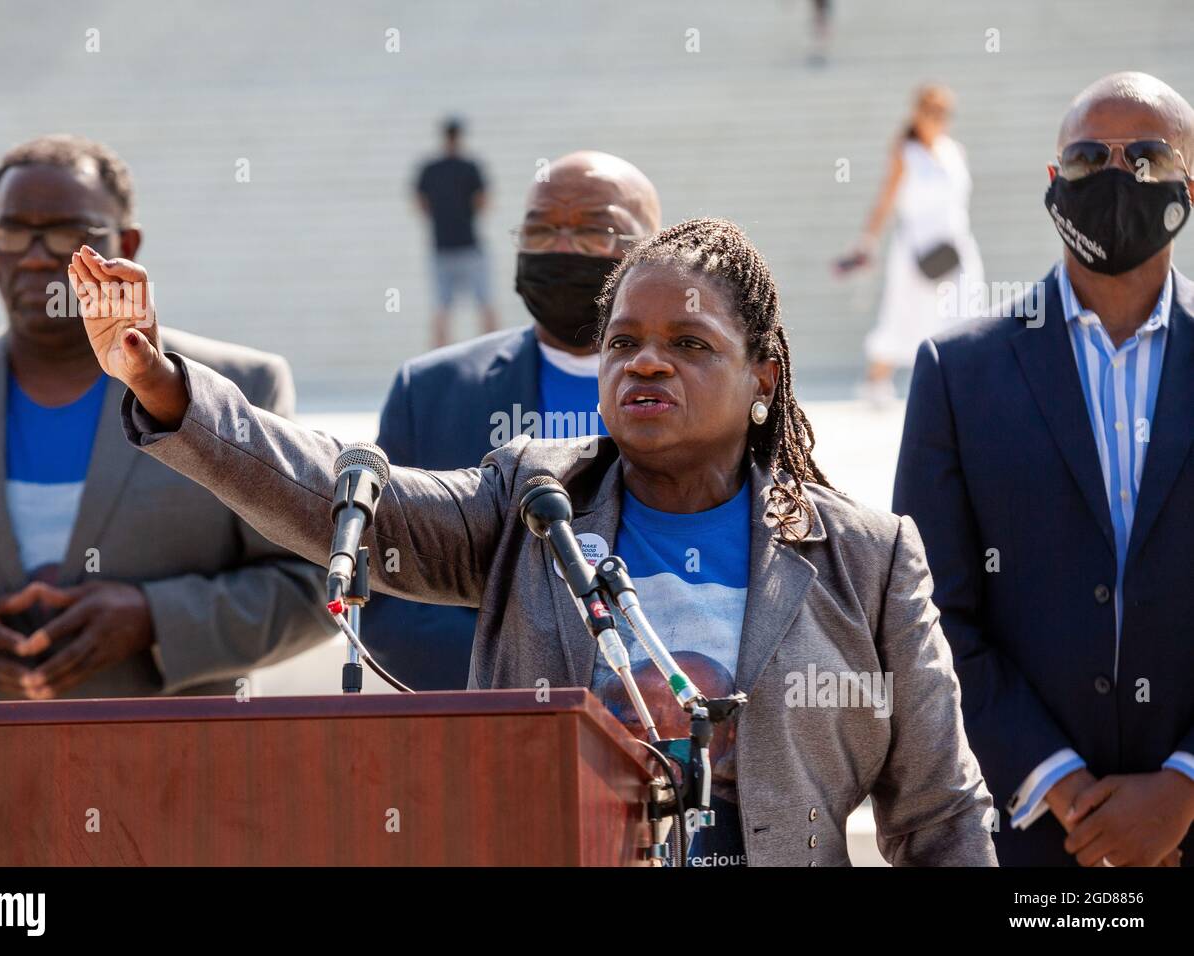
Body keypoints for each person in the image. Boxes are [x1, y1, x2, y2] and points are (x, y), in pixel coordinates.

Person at [68, 217, 997, 867]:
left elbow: (941, 814)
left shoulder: (866, 558)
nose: (645, 361)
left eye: (689, 343)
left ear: (765, 375)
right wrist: (164, 385)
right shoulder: (532, 500)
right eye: (623, 340)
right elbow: (347, 497)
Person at [0, 134, 332, 699]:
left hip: (178, 772)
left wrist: (155, 618)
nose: (33, 254)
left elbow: (319, 585)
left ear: (127, 241)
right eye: (11, 232)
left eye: (66, 234)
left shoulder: (239, 388)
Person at [894, 72, 1194, 866]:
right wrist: (1061, 786)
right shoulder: (957, 371)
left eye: (1148, 158)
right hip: (1029, 836)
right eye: (1091, 157)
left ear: (1188, 188)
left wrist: (1185, 787)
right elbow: (927, 610)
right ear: (1054, 182)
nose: (1118, 175)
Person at [372, 150, 661, 689]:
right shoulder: (431, 392)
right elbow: (389, 590)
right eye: (541, 230)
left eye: (595, 232)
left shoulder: (700, 394)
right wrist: (530, 683)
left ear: (653, 250)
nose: (561, 248)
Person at [837, 84, 984, 406]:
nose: (937, 120)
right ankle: (876, 381)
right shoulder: (905, 152)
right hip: (916, 249)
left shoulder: (954, 151)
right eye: (930, 112)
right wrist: (868, 240)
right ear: (917, 115)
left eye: (943, 113)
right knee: (903, 316)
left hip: (955, 247)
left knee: (963, 314)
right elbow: (886, 200)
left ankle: (961, 385)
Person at [414, 117, 497, 348]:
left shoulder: (430, 169)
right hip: (469, 245)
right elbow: (482, 202)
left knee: (442, 308)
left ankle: (439, 357)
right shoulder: (470, 167)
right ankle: (495, 350)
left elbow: (421, 203)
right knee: (484, 303)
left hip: (442, 246)